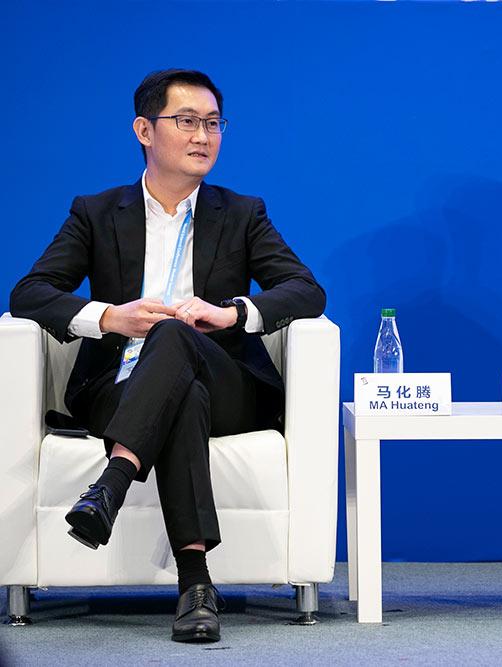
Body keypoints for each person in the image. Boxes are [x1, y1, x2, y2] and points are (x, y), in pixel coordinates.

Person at [9, 69, 325, 643]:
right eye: (187, 121)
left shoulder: (241, 213)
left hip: (227, 383)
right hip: (120, 388)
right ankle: (196, 585)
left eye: (213, 123)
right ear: (144, 131)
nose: (203, 136)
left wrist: (233, 313)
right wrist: (111, 317)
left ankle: (113, 480)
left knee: (177, 337)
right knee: (181, 396)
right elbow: (29, 293)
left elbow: (306, 291)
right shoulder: (97, 212)